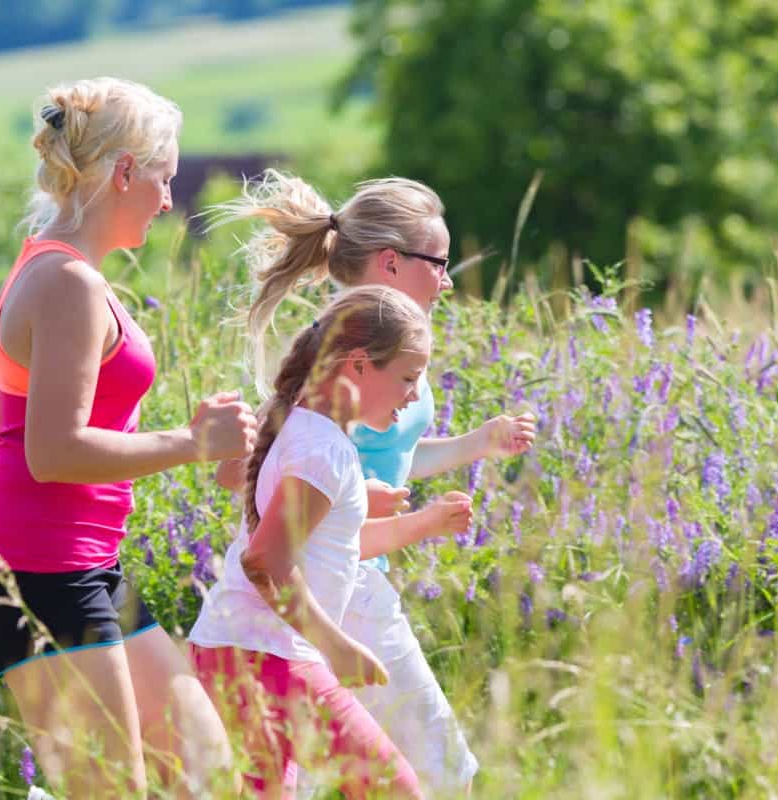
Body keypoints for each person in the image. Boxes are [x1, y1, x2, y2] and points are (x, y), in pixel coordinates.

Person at [0, 77, 257, 799]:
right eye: (164, 179)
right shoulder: (67, 284)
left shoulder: (50, 266)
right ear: (123, 174)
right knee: (113, 790)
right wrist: (190, 443)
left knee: (203, 769)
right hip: (35, 576)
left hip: (85, 566)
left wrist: (44, 466)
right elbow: (52, 452)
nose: (170, 200)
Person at [214, 169, 537, 796]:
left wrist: (479, 443)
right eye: (438, 262)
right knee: (437, 770)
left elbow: (391, 456)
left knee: (307, 778)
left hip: (344, 579)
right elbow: (260, 468)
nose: (446, 278)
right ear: (391, 262)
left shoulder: (391, 343)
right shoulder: (346, 351)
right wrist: (363, 502)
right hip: (333, 583)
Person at [189, 286, 435, 799]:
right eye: (408, 378)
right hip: (270, 659)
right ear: (360, 366)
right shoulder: (324, 448)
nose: (414, 394)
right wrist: (336, 646)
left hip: (230, 649)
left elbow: (299, 541)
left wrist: (389, 513)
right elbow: (266, 561)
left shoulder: (299, 425)